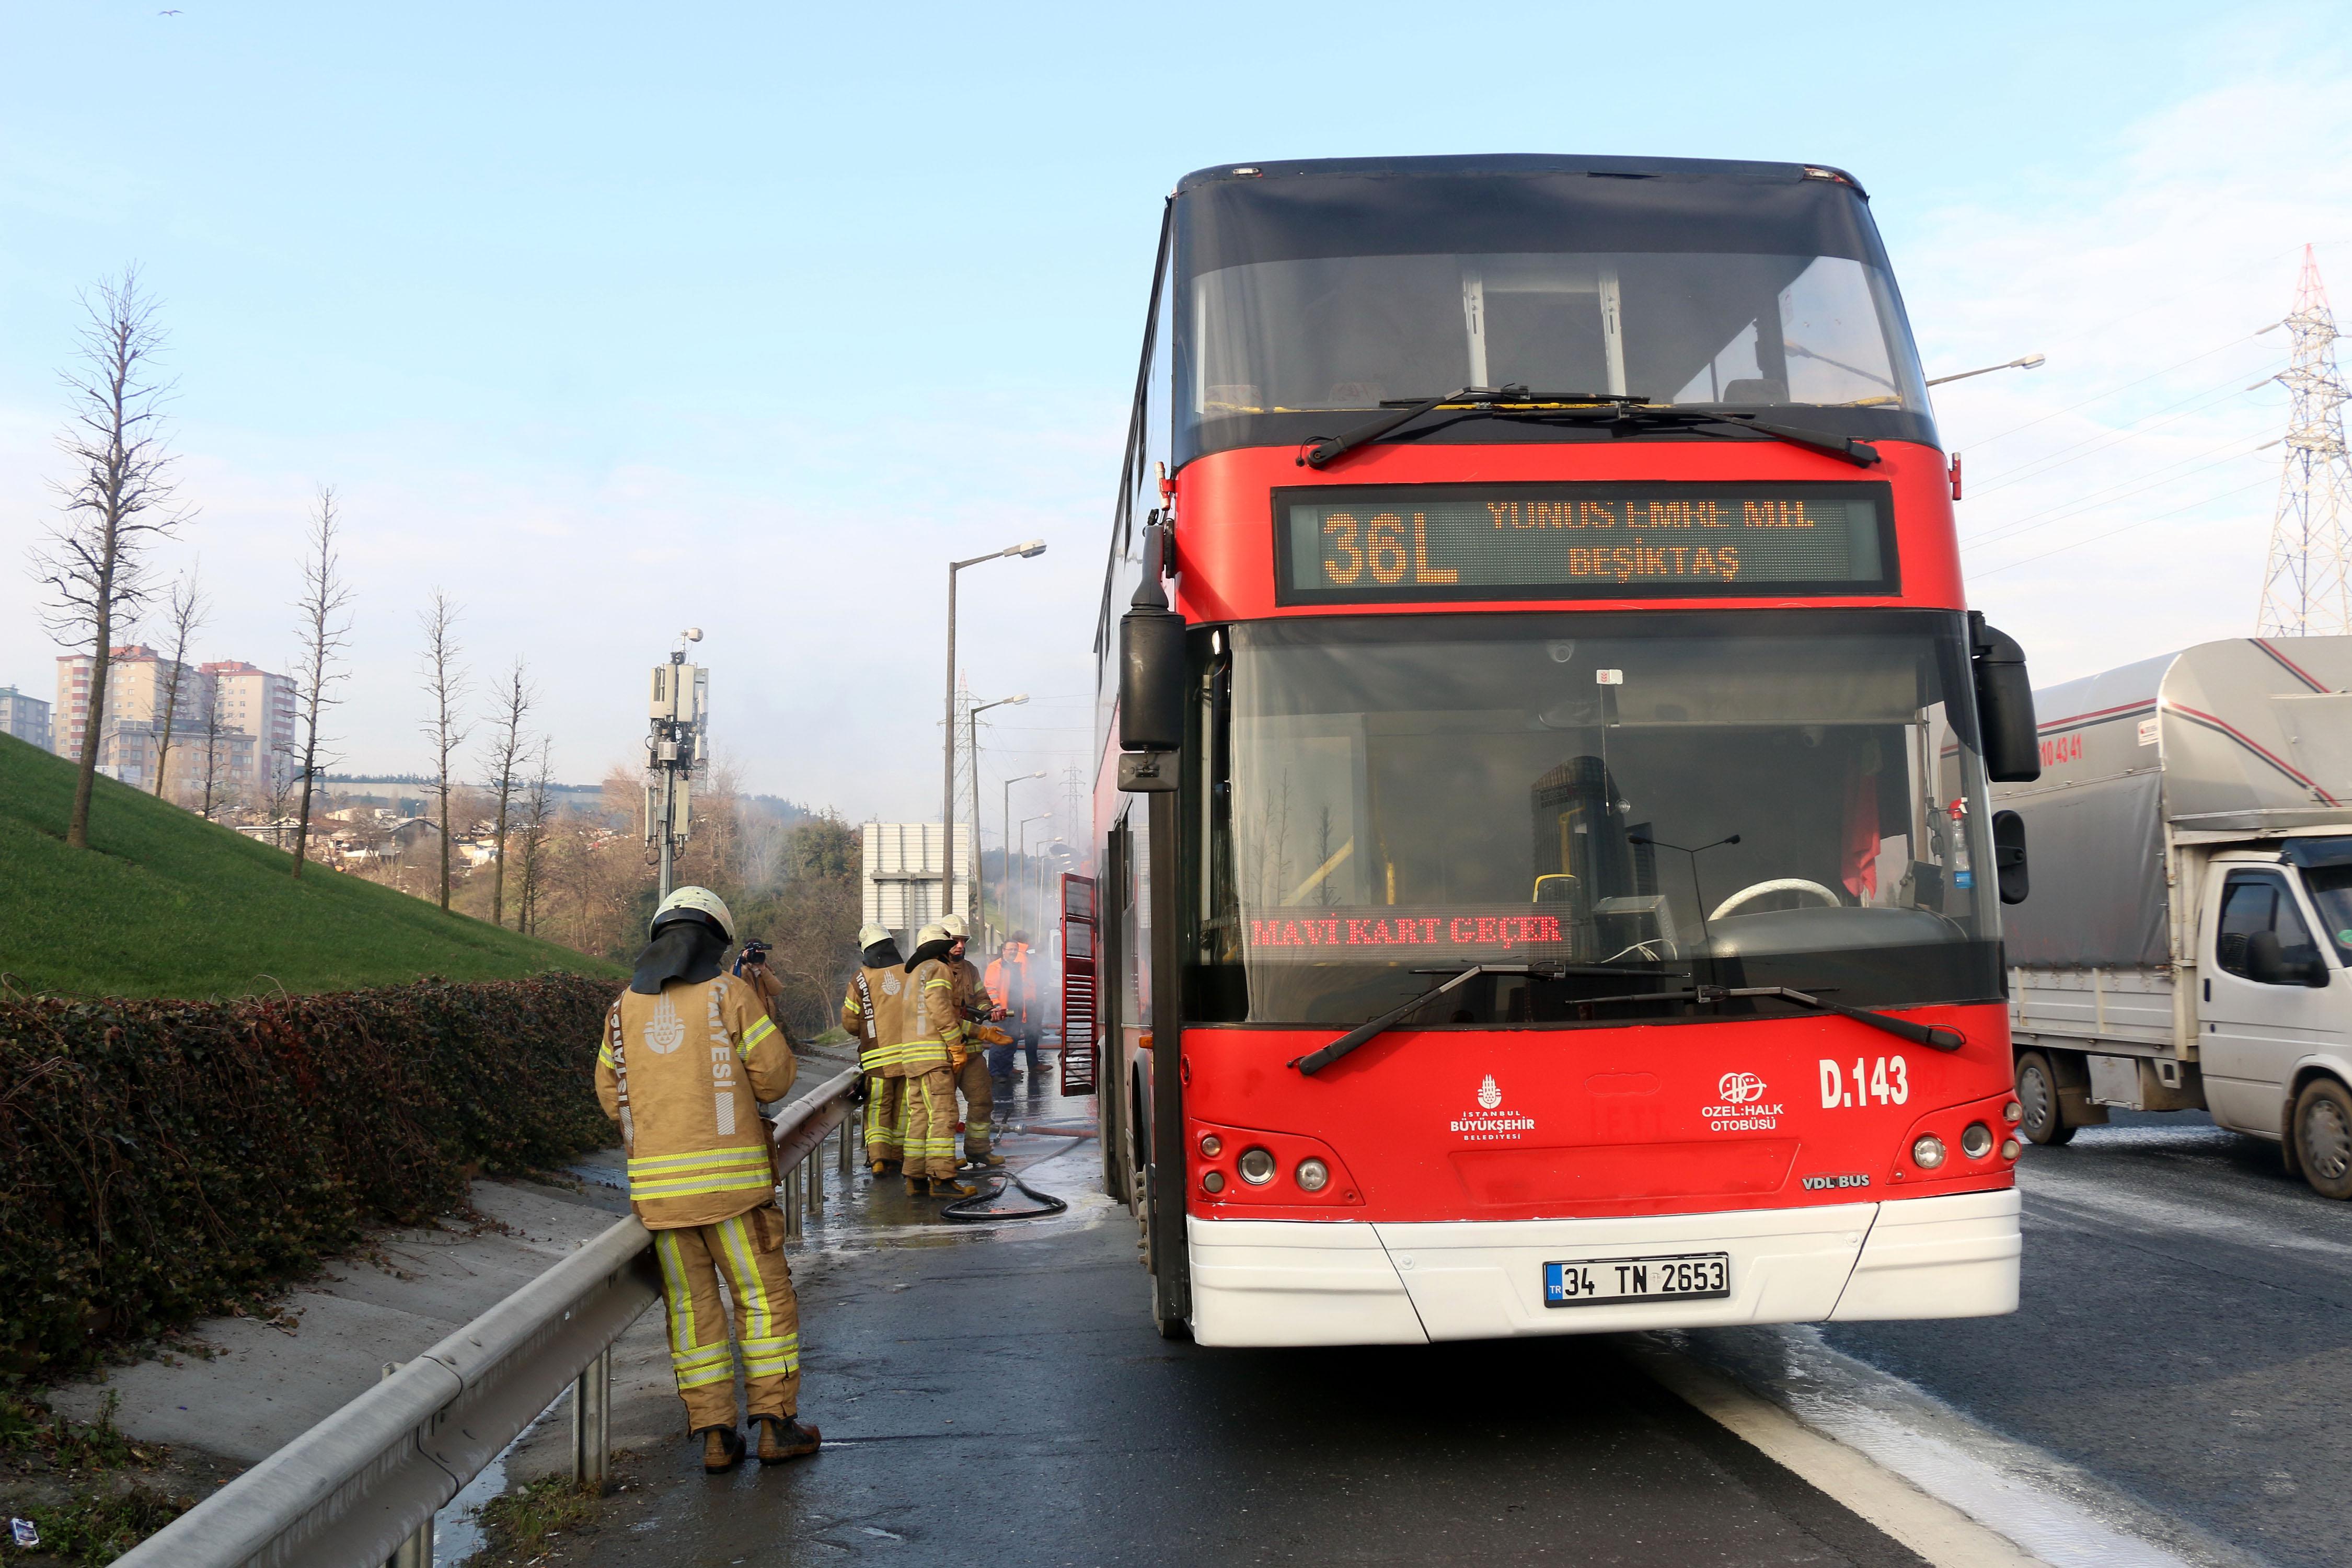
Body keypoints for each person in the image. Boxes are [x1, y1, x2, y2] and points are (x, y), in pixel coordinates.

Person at [595, 886, 821, 1472]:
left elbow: (608, 1094)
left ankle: (716, 1438)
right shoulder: (729, 994)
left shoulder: (621, 1009)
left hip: (661, 1202)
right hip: (735, 1194)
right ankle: (776, 1425)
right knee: (762, 1301)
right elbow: (774, 1079)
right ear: (714, 942)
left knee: (693, 1315)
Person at [901, 924, 979, 1198]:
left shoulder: (914, 975)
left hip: (912, 1057)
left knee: (919, 1116)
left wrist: (981, 1031)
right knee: (943, 1117)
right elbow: (941, 1010)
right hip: (934, 1057)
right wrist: (957, 1047)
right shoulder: (939, 969)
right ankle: (943, 1179)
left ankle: (916, 1177)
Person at [839, 923, 907, 1174]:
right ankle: (898, 1156)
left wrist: (867, 1031)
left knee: (878, 1107)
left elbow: (849, 1020)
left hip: (876, 1058)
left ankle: (878, 1159)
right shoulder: (909, 971)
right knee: (902, 1108)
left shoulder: (861, 978)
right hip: (909, 1056)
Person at [938, 915, 1003, 1170]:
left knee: (982, 1099)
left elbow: (981, 998)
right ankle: (944, 1159)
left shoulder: (970, 969)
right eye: (955, 941)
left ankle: (978, 1150)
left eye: (963, 941)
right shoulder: (933, 969)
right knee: (945, 1108)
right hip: (943, 1052)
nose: (960, 946)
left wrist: (991, 1010)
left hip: (972, 1052)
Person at [984, 933, 1045, 1090]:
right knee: (999, 1042)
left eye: (1015, 950)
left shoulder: (1016, 966)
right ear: (1003, 951)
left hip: (1017, 1009)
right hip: (1002, 1010)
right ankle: (996, 1073)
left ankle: (1006, 1070)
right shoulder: (996, 967)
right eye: (1010, 949)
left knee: (1012, 1041)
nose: (1012, 952)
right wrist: (997, 1006)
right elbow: (990, 987)